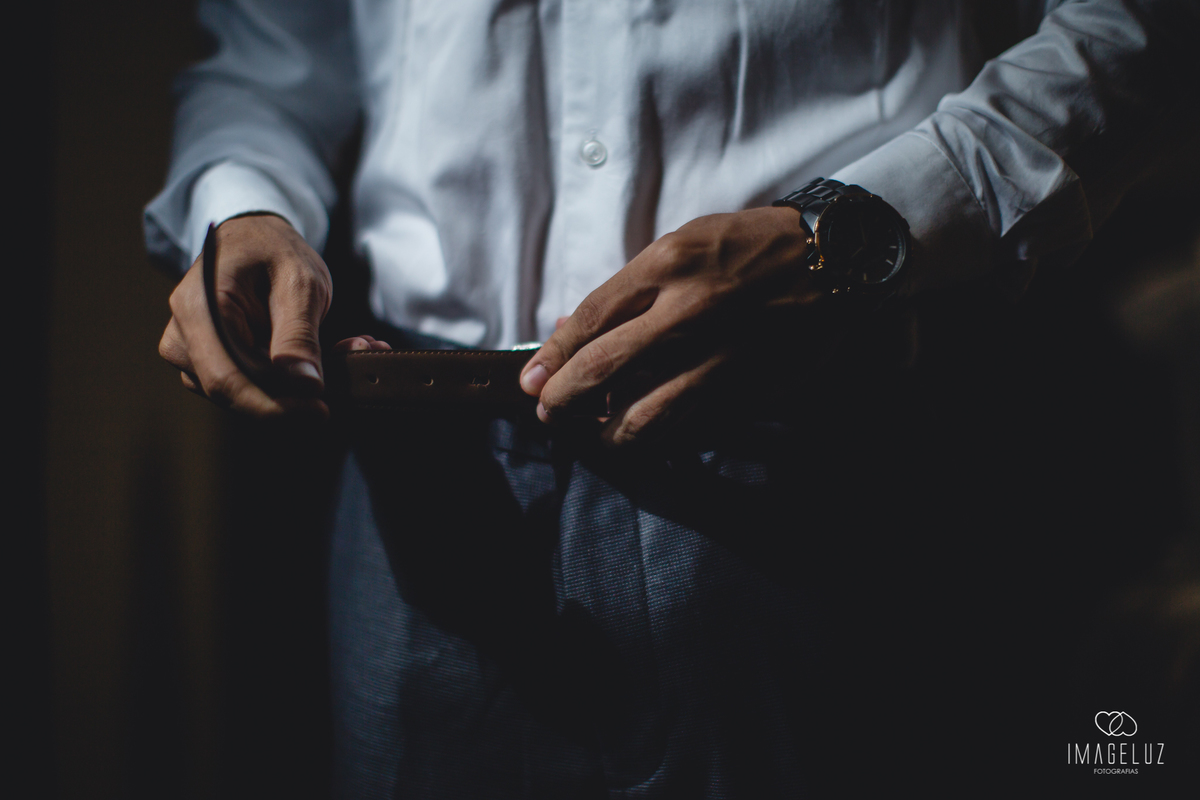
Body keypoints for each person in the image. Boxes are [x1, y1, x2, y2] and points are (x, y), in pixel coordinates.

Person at [148, 0, 1199, 795]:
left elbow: (1141, 28)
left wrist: (862, 224)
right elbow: (276, 53)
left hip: (824, 456)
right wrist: (242, 200)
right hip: (412, 492)